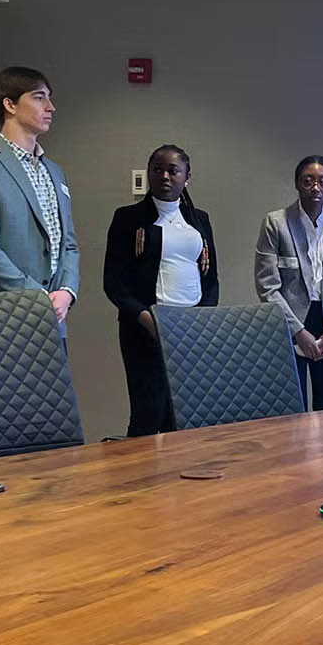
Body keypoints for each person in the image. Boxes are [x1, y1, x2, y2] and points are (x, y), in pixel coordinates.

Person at [103, 144, 218, 436]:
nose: (165, 176)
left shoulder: (199, 220)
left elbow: (211, 279)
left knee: (182, 413)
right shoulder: (128, 218)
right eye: (157, 170)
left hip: (191, 330)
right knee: (148, 411)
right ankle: (138, 479)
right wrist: (145, 317)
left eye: (173, 170)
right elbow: (114, 282)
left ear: (187, 176)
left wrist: (201, 321)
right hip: (144, 327)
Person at [0, 66, 79, 324]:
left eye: (49, 97)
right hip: (0, 316)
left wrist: (66, 291)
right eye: (39, 97)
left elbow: (69, 243)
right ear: (9, 104)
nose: (50, 107)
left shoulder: (55, 172)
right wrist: (34, 294)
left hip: (53, 317)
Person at [254, 155, 323, 410]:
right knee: (291, 415)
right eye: (308, 181)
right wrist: (299, 332)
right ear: (297, 184)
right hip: (290, 328)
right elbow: (268, 287)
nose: (315, 188)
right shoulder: (275, 223)